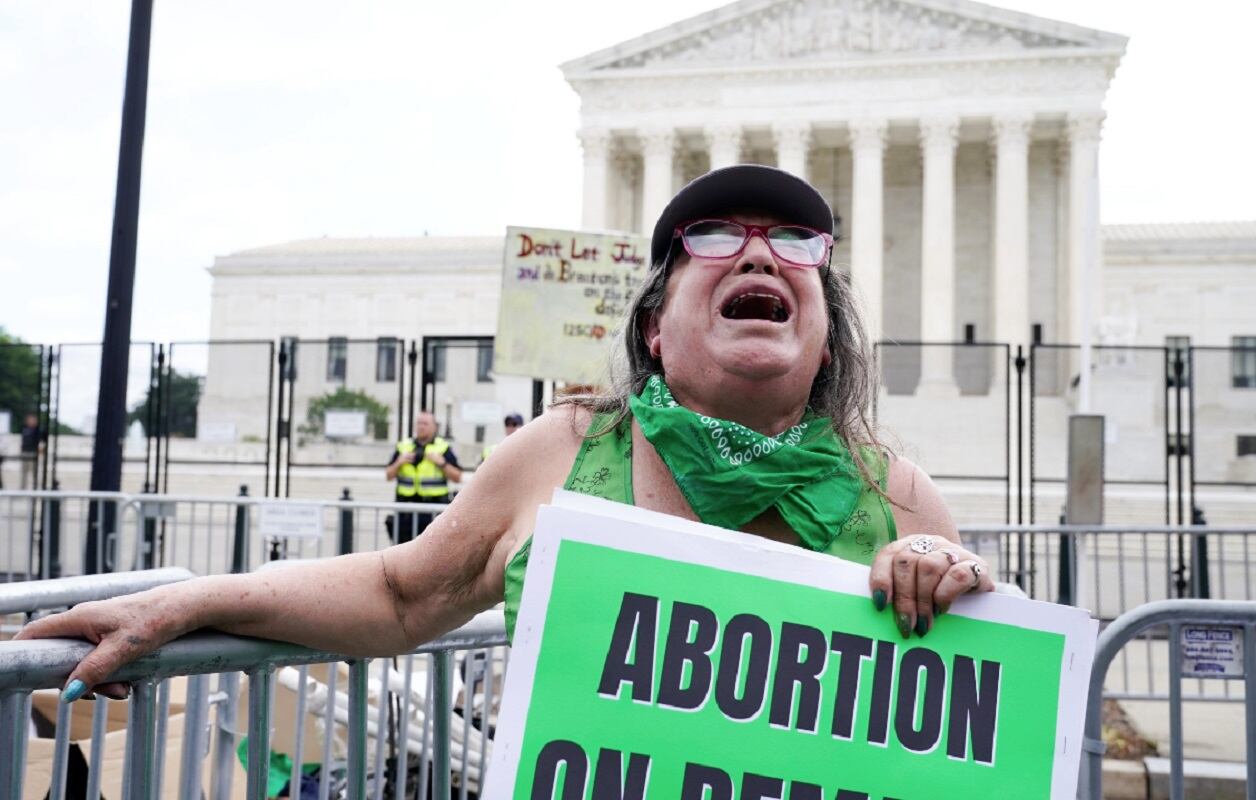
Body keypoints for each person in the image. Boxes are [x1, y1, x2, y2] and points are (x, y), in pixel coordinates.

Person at [18, 165, 994, 703]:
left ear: (823, 339)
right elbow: (404, 591)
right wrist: (185, 600)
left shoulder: (896, 493)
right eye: (713, 238)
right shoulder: (564, 446)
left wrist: (946, 578)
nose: (755, 252)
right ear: (653, 329)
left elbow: (967, 707)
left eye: (792, 245)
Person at [385, 411, 462, 542]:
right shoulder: (404, 446)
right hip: (405, 514)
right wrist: (399, 462)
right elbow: (388, 475)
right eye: (419, 423)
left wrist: (442, 463)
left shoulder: (442, 447)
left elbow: (457, 476)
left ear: (434, 427)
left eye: (425, 423)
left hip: (433, 513)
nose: (421, 427)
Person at [19, 413, 40, 490]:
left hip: (33, 453)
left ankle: (35, 487)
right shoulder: (24, 428)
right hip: (25, 452)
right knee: (24, 472)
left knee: (34, 472)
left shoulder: (37, 430)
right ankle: (23, 488)